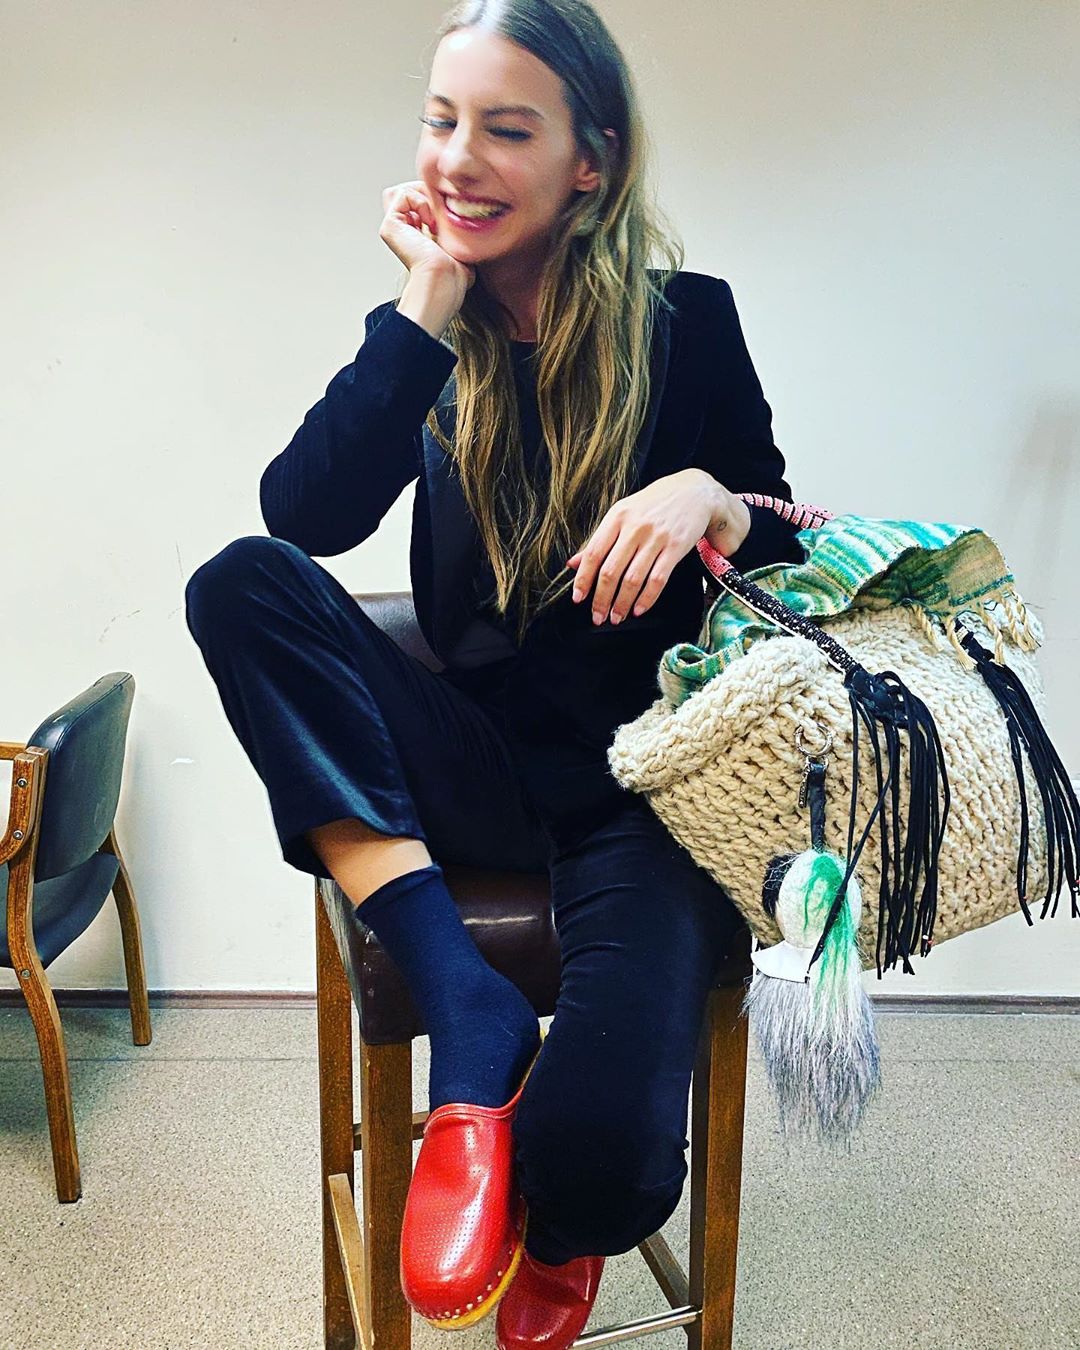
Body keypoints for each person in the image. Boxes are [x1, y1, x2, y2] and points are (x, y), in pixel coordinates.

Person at [185, 1, 804, 1345]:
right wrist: (424, 305)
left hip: (643, 791)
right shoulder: (422, 337)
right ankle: (468, 1007)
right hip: (469, 757)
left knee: (602, 1164)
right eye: (440, 120)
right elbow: (303, 514)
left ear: (591, 160)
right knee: (240, 583)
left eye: (506, 129)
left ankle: (561, 1210)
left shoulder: (687, 320)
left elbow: (791, 546)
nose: (459, 158)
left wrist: (707, 491)